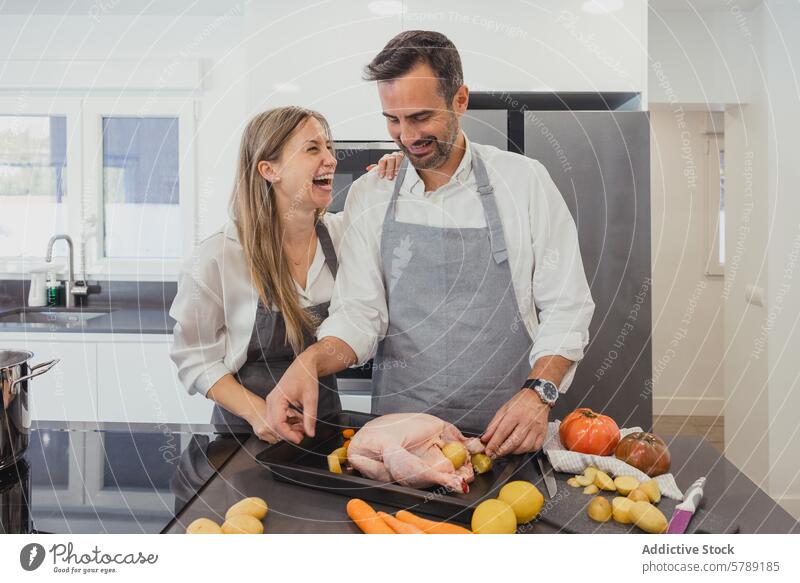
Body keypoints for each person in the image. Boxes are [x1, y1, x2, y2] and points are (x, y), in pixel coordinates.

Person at [265, 31, 595, 458]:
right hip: (399, 442)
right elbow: (360, 315)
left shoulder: (523, 182)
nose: (405, 136)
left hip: (507, 433)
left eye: (421, 117)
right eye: (392, 119)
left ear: (460, 100)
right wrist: (310, 361)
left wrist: (539, 393)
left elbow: (567, 305)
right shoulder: (373, 194)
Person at [169, 106, 400, 441]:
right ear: (269, 169)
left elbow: (391, 232)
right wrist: (258, 413)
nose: (331, 160)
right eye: (312, 149)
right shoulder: (218, 256)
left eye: (329, 149)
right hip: (244, 434)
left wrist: (394, 178)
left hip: (325, 426)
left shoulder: (342, 236)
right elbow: (194, 357)